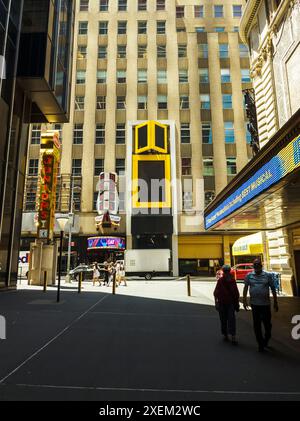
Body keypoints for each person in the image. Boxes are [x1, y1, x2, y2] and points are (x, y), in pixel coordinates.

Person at [243, 259, 279, 352]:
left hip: (265, 304)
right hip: (254, 305)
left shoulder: (267, 275)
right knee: (257, 325)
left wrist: (275, 302)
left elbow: (273, 289)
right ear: (253, 266)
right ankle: (260, 343)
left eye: (258, 264)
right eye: (255, 264)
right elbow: (246, 287)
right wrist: (244, 300)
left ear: (261, 265)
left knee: (267, 325)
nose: (257, 266)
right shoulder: (249, 276)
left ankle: (266, 339)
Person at [214, 264, 240, 345]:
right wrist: (237, 303)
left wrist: (216, 303)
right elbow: (236, 293)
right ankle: (232, 336)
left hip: (224, 303)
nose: (226, 273)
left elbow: (215, 293)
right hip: (229, 303)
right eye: (226, 271)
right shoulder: (231, 280)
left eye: (226, 271)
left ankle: (227, 335)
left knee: (224, 319)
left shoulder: (221, 280)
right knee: (230, 319)